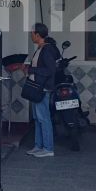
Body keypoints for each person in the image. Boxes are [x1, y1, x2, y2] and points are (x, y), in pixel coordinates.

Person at [25, 22, 58, 158]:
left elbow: (50, 70)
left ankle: (48, 148)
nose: (31, 35)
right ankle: (38, 146)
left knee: (44, 118)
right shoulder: (40, 48)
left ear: (37, 34)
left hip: (43, 88)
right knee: (38, 118)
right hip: (37, 87)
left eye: (32, 33)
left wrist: (32, 69)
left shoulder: (47, 49)